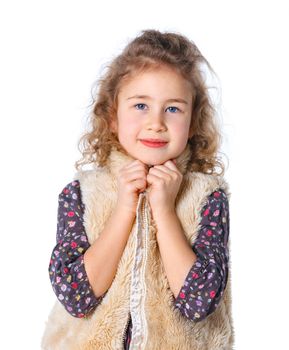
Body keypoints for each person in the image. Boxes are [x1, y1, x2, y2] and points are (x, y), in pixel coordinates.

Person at [41, 29, 235, 349]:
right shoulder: (80, 194)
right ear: (113, 116)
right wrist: (124, 209)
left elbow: (198, 302)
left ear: (193, 122)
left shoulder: (208, 198)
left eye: (173, 108)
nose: (156, 122)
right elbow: (76, 297)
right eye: (140, 105)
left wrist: (164, 209)